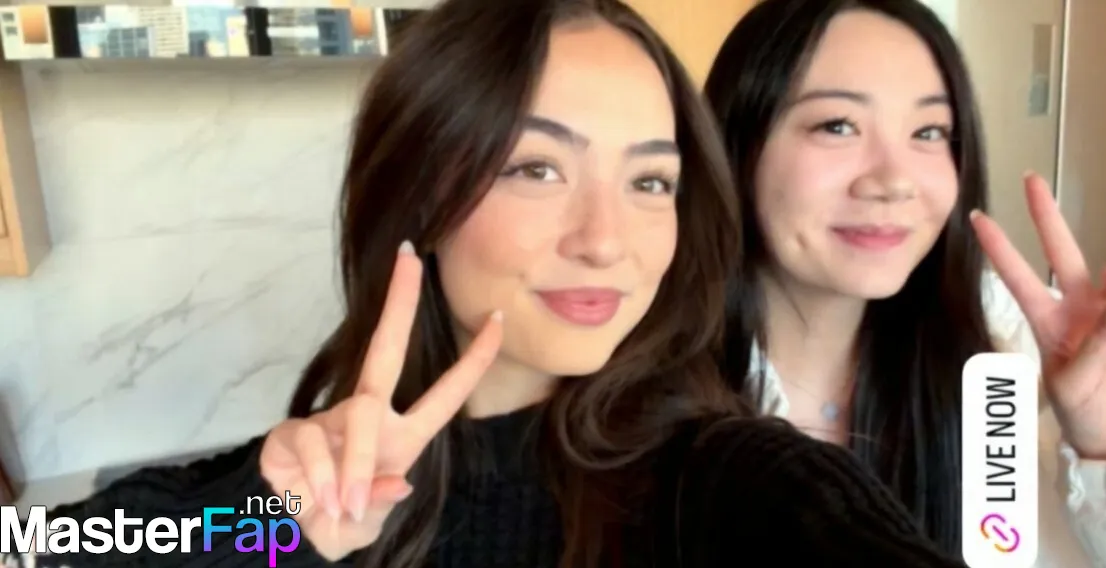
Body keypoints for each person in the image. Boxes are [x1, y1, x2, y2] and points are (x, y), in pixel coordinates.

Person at [0, 0, 970, 567]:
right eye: (536, 169)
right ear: (421, 195)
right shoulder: (319, 480)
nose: (606, 241)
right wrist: (266, 526)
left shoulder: (729, 481)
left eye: (649, 182)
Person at [705, 0, 1106, 565]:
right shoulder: (652, 393)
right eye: (837, 126)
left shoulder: (1017, 349)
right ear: (734, 145)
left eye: (929, 131)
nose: (895, 181)